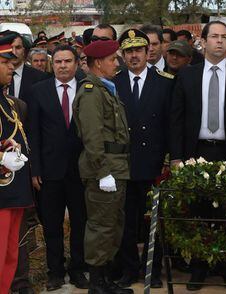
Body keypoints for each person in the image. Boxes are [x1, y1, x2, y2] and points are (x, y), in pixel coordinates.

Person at [170, 20, 226, 291]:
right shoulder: (187, 75)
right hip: (196, 152)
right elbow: (176, 119)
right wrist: (176, 157)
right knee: (198, 212)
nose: (219, 41)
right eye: (214, 37)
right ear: (204, 41)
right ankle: (199, 267)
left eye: (224, 37)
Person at [113, 28, 175, 289]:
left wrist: (170, 160)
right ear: (122, 55)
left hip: (154, 163)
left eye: (138, 50)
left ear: (147, 51)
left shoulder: (166, 81)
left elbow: (172, 124)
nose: (134, 55)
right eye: (129, 51)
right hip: (124, 164)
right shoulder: (113, 83)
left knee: (154, 220)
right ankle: (129, 269)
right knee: (126, 221)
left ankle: (153, 269)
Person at [72, 39, 132, 294]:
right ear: (98, 63)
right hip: (104, 169)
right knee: (100, 227)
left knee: (113, 224)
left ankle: (105, 279)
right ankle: (96, 284)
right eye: (112, 59)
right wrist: (103, 172)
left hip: (116, 167)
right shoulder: (90, 92)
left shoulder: (105, 88)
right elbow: (92, 137)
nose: (117, 63)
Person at [28, 45, 88, 291]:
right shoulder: (38, 91)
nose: (63, 66)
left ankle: (77, 270)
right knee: (51, 225)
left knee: (80, 223)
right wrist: (35, 170)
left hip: (80, 171)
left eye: (68, 61)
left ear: (76, 64)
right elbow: (33, 133)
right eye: (59, 62)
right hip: (49, 172)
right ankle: (55, 272)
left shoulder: (88, 89)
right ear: (53, 64)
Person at [0, 33, 31, 294]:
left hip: (13, 192)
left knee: (10, 256)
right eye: (5, 61)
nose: (12, 66)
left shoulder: (9, 103)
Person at [7, 32, 48, 103]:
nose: (14, 52)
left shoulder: (40, 77)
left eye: (18, 47)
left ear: (24, 51)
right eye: (10, 48)